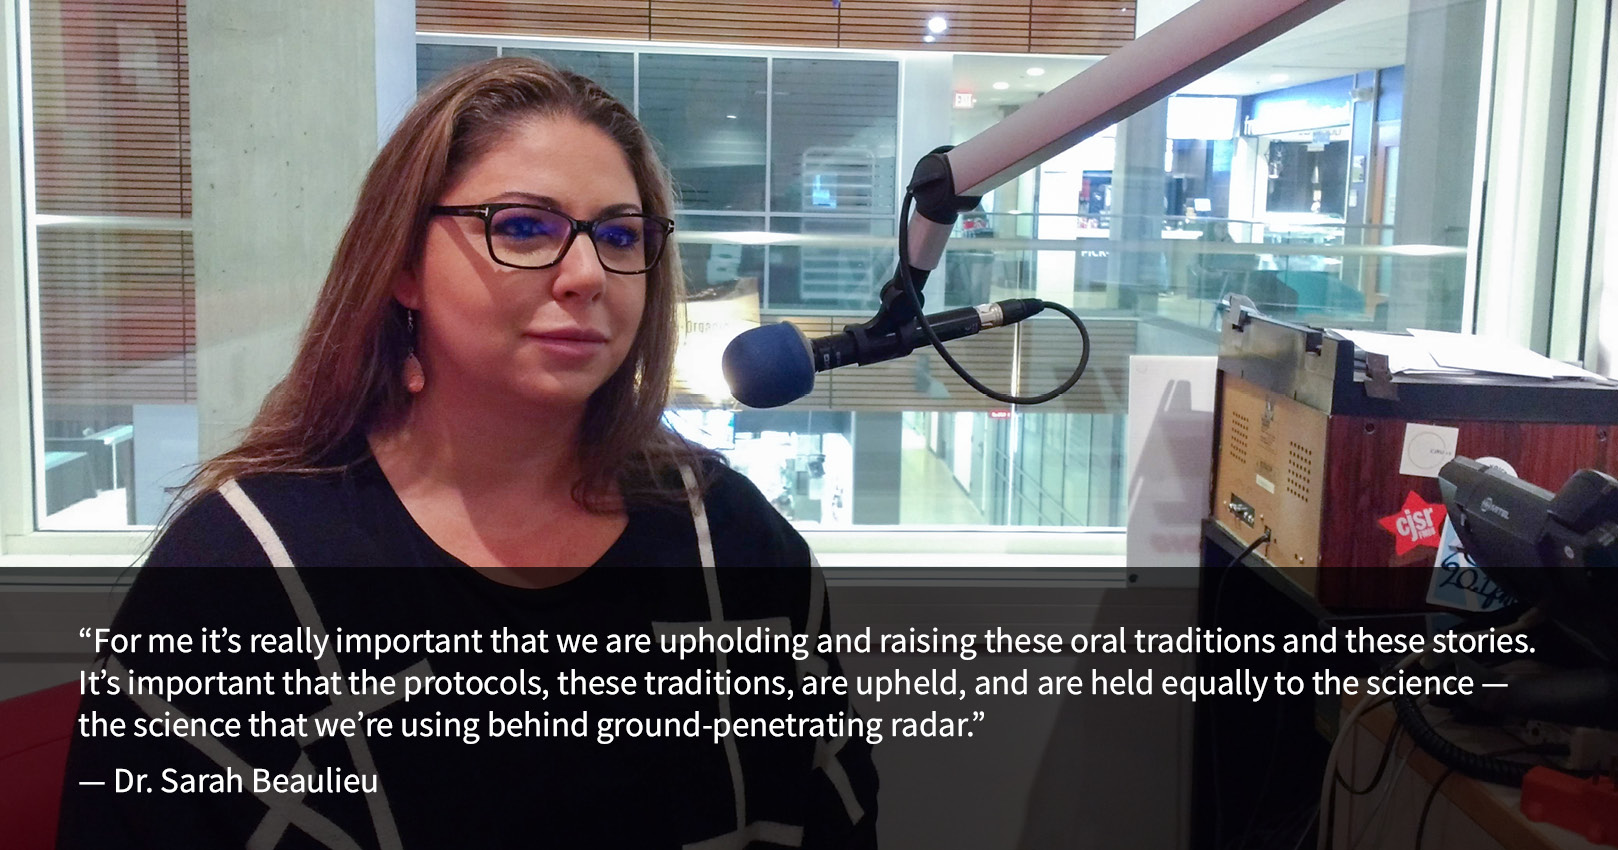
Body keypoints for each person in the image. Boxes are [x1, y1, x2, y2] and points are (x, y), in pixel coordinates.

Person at [57, 57, 878, 849]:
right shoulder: (243, 574)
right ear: (404, 265)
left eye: (622, 236)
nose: (588, 273)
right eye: (523, 227)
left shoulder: (732, 543)